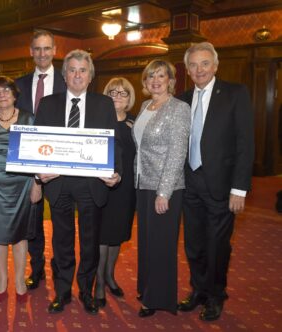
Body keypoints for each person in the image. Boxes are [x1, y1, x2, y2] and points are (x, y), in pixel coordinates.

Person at [34, 49, 122, 315]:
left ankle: (86, 290)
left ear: (90, 75)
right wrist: (38, 174)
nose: (77, 75)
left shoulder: (103, 104)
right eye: (72, 70)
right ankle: (62, 292)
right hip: (58, 183)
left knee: (89, 241)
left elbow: (113, 142)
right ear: (64, 75)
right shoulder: (48, 104)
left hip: (91, 183)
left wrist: (115, 172)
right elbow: (38, 144)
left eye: (83, 70)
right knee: (61, 240)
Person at [177, 42, 254, 321]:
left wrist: (239, 188)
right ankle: (197, 290)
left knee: (218, 244)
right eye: (194, 65)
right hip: (189, 183)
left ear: (216, 65)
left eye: (205, 63)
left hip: (222, 186)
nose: (199, 69)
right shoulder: (182, 99)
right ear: (187, 69)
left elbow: (246, 143)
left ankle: (215, 295)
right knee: (194, 244)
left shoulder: (235, 94)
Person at [0, 76, 42, 304]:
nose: (1, 95)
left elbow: (38, 155)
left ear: (14, 95)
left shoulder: (28, 119)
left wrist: (37, 184)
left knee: (20, 235)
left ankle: (20, 280)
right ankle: (2, 279)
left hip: (22, 185)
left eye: (6, 91)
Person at [133, 59, 190, 317]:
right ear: (145, 82)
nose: (156, 81)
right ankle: (147, 289)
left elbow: (178, 152)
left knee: (161, 245)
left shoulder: (179, 108)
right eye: (151, 76)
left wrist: (164, 191)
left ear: (170, 80)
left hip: (164, 188)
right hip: (142, 184)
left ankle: (158, 298)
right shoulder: (146, 106)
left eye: (161, 76)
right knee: (146, 242)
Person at [15, 29, 66, 290]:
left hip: (60, 160)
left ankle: (60, 267)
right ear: (31, 51)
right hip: (28, 160)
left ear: (55, 51)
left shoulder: (69, 82)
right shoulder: (19, 84)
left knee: (61, 218)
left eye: (47, 48)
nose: (42, 53)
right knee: (32, 219)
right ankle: (37, 268)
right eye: (38, 48)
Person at [94, 77, 137, 307]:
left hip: (128, 188)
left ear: (130, 98)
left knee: (118, 235)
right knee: (103, 235)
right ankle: (99, 282)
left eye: (123, 93)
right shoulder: (99, 121)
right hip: (104, 186)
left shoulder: (136, 123)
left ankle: (110, 276)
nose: (118, 97)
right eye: (113, 92)